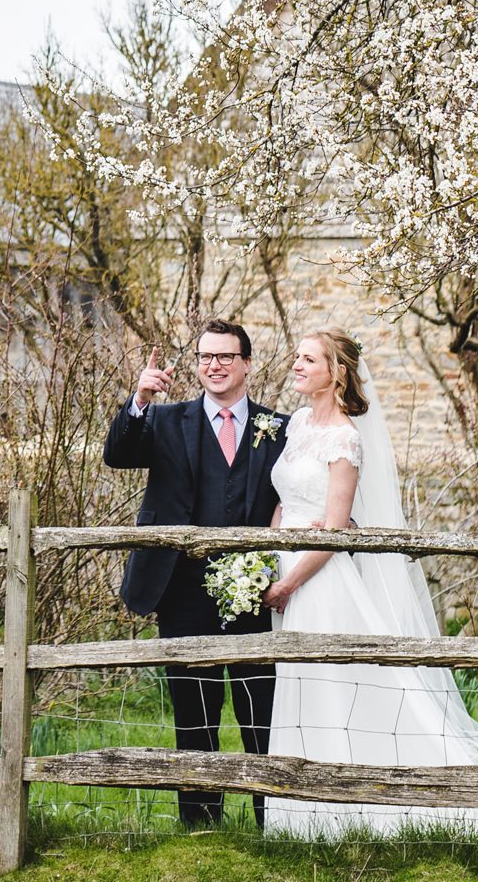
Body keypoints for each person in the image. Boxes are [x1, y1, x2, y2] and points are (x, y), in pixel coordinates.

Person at [263, 328, 478, 840]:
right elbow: (285, 499)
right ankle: (301, 818)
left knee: (332, 683)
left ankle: (348, 811)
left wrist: (290, 581)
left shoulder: (345, 438)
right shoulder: (297, 424)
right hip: (285, 566)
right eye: (297, 357)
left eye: (307, 359)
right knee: (297, 681)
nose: (296, 365)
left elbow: (338, 527)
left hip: (319, 580)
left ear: (335, 372)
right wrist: (270, 550)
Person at [103, 317, 289, 828]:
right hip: (180, 588)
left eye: (226, 356)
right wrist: (139, 397)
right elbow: (116, 455)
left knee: (262, 710)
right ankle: (200, 824)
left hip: (253, 590)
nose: (215, 365)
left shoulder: (279, 428)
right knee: (194, 712)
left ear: (246, 363)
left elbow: (299, 499)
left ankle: (269, 818)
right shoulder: (165, 420)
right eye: (206, 356)